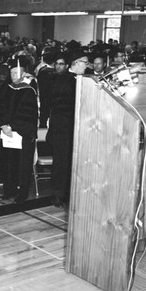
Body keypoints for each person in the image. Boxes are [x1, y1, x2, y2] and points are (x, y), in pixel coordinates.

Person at [47, 50, 88, 208]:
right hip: (62, 127)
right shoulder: (62, 79)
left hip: (75, 127)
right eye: (85, 62)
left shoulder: (80, 79)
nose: (87, 65)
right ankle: (57, 194)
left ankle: (70, 193)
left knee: (72, 161)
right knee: (61, 161)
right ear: (76, 63)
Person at [0, 57, 38, 202]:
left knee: (22, 164)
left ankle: (22, 193)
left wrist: (12, 126)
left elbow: (28, 114)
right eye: (12, 73)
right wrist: (3, 125)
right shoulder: (6, 89)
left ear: (24, 73)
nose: (14, 76)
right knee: (8, 163)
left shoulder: (30, 90)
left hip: (22, 134)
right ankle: (9, 190)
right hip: (6, 133)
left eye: (17, 73)